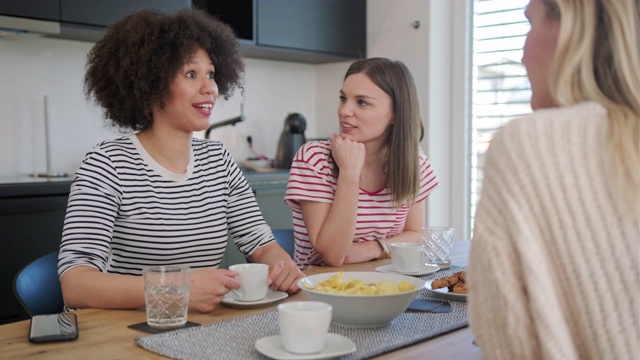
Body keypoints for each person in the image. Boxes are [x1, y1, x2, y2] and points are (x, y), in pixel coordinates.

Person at [58, 8, 304, 313]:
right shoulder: (106, 165)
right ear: (152, 83)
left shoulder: (219, 162)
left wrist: (282, 266)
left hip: (196, 328)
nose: (210, 88)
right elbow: (75, 285)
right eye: (191, 74)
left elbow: (262, 245)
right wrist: (176, 288)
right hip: (122, 332)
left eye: (211, 74)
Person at [468, 0, 639, 359]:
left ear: (568, 27)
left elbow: (505, 342)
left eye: (530, 24)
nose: (522, 55)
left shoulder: (529, 145)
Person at [284, 58, 439, 269]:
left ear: (395, 114)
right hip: (322, 291)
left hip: (386, 282)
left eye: (362, 102)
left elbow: (415, 234)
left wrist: (374, 248)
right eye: (343, 98)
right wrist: (349, 172)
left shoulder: (414, 162)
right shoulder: (314, 159)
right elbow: (333, 254)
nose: (344, 111)